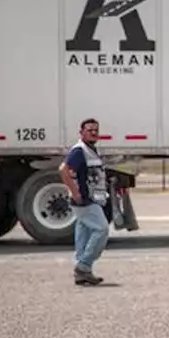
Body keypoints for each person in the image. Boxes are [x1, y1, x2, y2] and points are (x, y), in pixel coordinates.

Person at [59, 117, 111, 286]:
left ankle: (82, 271)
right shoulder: (79, 151)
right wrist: (75, 193)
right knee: (101, 229)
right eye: (90, 130)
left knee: (84, 233)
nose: (94, 133)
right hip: (85, 201)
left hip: (93, 199)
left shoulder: (91, 150)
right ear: (81, 133)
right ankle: (84, 265)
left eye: (96, 130)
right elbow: (63, 170)